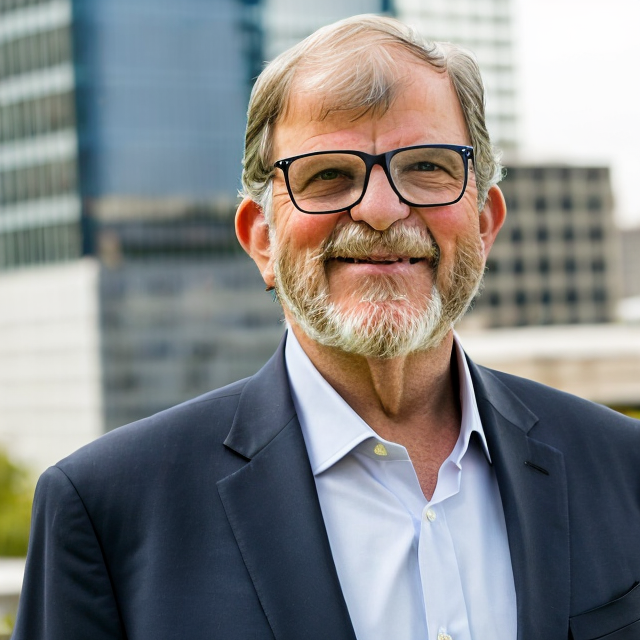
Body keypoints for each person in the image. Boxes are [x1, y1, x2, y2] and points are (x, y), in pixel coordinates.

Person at [13, 15, 640, 640]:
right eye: (328, 175)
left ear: (483, 223)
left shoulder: (623, 469)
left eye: (427, 166)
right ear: (261, 238)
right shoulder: (106, 510)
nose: (380, 208)